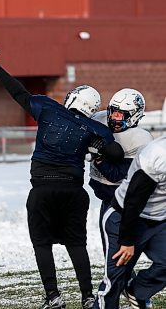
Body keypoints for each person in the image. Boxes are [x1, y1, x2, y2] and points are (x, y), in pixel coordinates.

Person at [0, 40, 124, 309]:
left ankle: (53, 296)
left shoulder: (49, 109)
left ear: (72, 98)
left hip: (43, 189)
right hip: (73, 190)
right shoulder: (95, 128)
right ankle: (86, 296)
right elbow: (116, 152)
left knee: (42, 244)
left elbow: (18, 93)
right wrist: (98, 147)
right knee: (76, 244)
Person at [88, 89, 154, 308]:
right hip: (107, 202)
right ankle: (130, 288)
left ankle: (131, 292)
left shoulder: (140, 138)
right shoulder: (100, 121)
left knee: (118, 259)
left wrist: (99, 158)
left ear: (134, 115)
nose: (115, 118)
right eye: (114, 112)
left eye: (121, 114)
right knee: (117, 257)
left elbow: (118, 174)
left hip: (127, 205)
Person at [94, 135, 166, 309]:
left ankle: (137, 291)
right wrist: (126, 240)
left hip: (159, 219)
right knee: (116, 277)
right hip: (124, 216)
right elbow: (133, 200)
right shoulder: (159, 154)